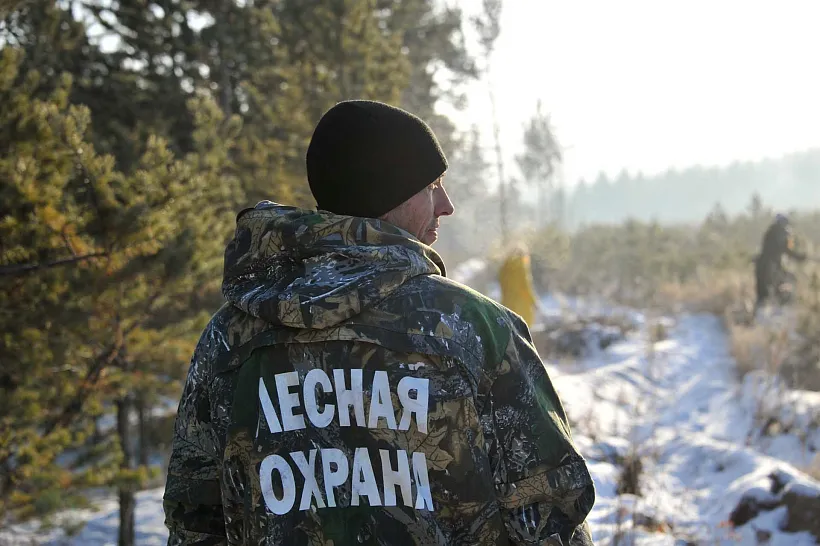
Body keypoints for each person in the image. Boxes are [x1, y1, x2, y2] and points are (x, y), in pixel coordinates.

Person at [163, 100, 595, 546]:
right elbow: (550, 516)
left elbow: (195, 522)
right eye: (432, 185)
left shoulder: (228, 338)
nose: (446, 205)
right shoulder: (476, 329)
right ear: (387, 195)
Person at [754, 213, 806, 314]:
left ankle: (759, 317)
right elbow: (785, 249)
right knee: (784, 284)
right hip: (770, 266)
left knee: (762, 294)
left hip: (762, 265)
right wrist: (799, 257)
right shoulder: (781, 232)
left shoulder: (770, 232)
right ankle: (779, 312)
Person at [499, 243, 539, 328]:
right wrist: (534, 302)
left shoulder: (504, 267)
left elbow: (502, 286)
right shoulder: (521, 268)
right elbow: (525, 288)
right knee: (522, 332)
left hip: (506, 305)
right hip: (521, 307)